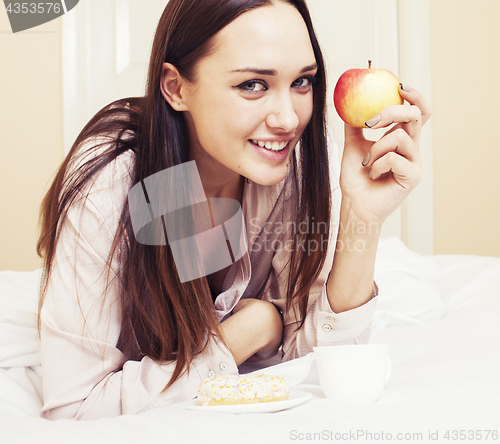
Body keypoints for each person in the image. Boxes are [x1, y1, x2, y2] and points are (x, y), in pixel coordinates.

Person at [36, 0, 431, 420]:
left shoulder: (289, 161)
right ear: (176, 88)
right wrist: (252, 328)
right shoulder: (118, 175)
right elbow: (74, 409)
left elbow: (321, 361)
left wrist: (363, 216)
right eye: (252, 85)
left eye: (302, 81)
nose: (287, 119)